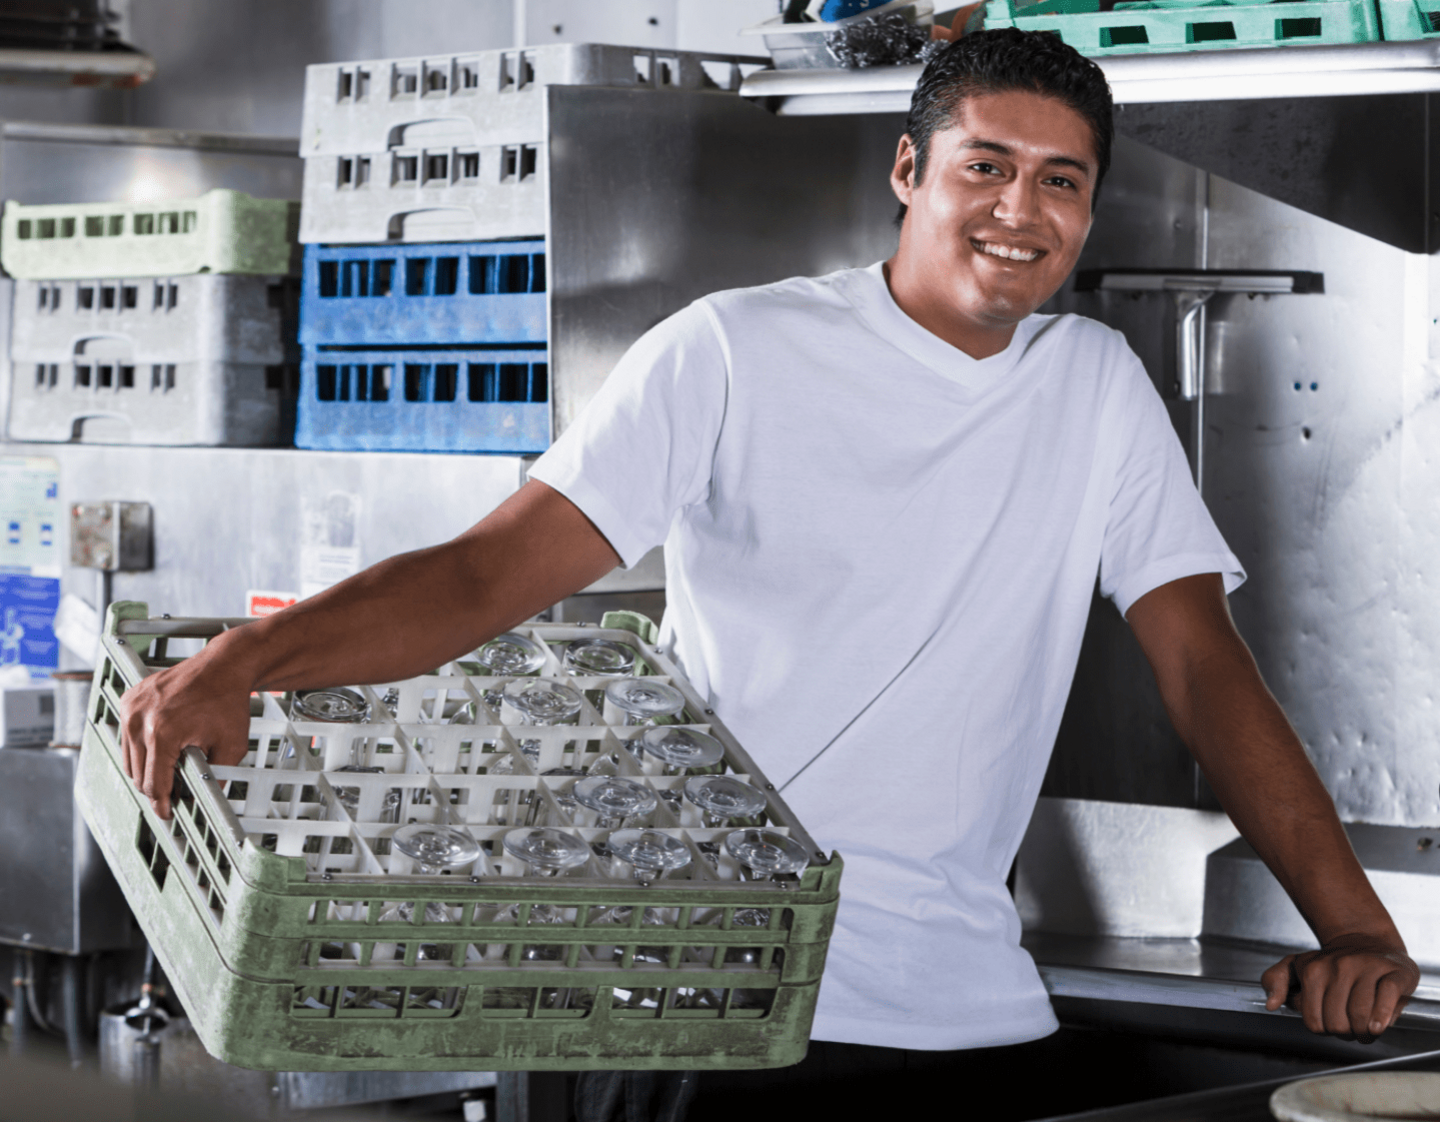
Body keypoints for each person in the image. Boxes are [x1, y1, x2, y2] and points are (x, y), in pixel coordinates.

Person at [121, 27, 1418, 1110]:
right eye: (988, 166)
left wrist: (1353, 923)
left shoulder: (1094, 387)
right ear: (909, 170)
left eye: (1063, 181)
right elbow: (484, 577)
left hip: (967, 1019)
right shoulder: (733, 352)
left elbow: (1200, 664)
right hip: (710, 1010)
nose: (1024, 209)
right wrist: (245, 659)